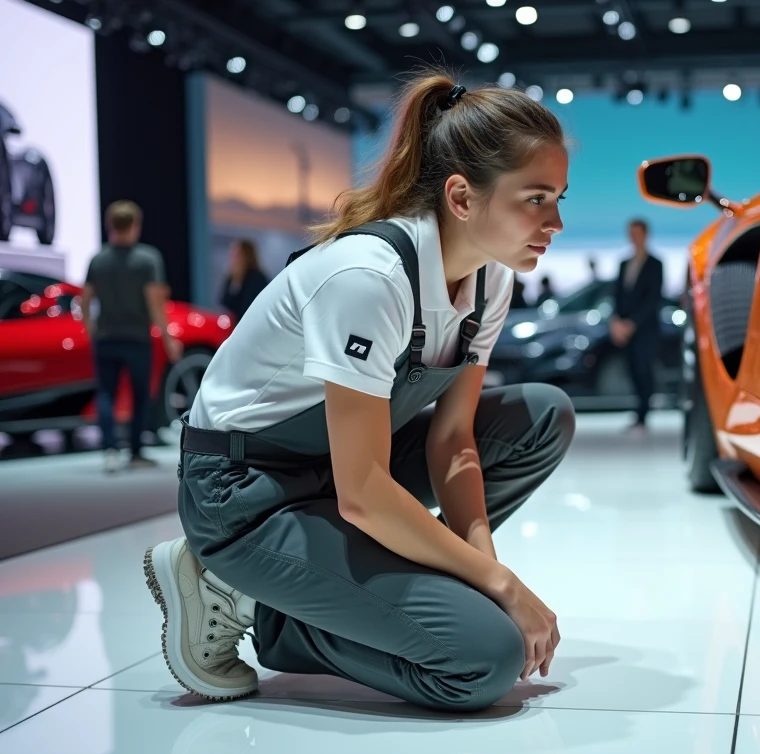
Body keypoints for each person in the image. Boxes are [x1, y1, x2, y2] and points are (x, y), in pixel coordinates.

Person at [141, 71, 573, 713]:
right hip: (245, 493)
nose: (555, 221)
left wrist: (486, 572)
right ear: (460, 197)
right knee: (483, 660)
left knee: (542, 415)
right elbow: (366, 492)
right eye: (535, 199)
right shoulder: (367, 278)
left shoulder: (490, 281)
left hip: (338, 475)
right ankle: (255, 602)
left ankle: (348, 582)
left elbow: (454, 442)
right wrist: (499, 588)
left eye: (559, 197)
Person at [81, 200, 182, 472]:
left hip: (106, 337)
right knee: (139, 395)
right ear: (135, 225)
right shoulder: (148, 259)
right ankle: (135, 452)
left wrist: (91, 329)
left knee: (106, 394)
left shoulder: (98, 259)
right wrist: (168, 337)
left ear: (109, 224)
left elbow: (85, 299)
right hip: (137, 338)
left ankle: (110, 450)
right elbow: (154, 302)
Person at [610, 218, 663, 433]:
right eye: (631, 233)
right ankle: (638, 414)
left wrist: (632, 324)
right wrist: (615, 321)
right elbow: (617, 296)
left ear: (646, 234)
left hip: (645, 330)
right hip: (625, 329)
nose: (634, 237)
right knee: (631, 370)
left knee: (644, 370)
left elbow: (652, 299)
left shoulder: (655, 264)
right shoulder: (624, 263)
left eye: (637, 232)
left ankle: (643, 416)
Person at [219, 238, 270, 321]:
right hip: (234, 326)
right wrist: (236, 282)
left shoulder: (257, 278)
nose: (233, 258)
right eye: (232, 254)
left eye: (237, 254)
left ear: (247, 256)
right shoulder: (232, 278)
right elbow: (225, 303)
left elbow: (252, 305)